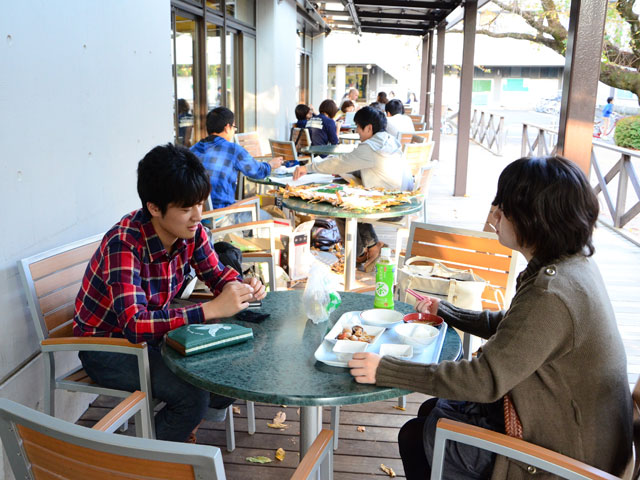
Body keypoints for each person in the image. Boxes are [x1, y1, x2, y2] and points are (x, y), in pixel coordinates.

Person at [348, 156, 632, 479]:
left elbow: (482, 380)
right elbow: (516, 329)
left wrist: (385, 370)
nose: (494, 213)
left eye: (504, 206)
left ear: (534, 219)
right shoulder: (572, 267)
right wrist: (445, 310)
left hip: (567, 463)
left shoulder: (552, 293)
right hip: (578, 438)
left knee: (420, 434)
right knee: (429, 414)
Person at [74, 144, 268, 443]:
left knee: (234, 369)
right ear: (154, 207)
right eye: (186, 207)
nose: (197, 216)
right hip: (108, 347)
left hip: (155, 339)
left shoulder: (192, 232)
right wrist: (209, 310)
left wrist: (242, 285)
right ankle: (147, 461)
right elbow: (134, 324)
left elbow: (217, 274)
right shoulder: (124, 244)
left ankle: (178, 431)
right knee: (192, 395)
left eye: (201, 204)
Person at [293, 106, 412, 272]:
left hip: (389, 207)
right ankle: (370, 247)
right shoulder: (389, 140)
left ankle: (358, 254)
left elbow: (340, 162)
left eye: (358, 127)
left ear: (369, 128)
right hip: (403, 202)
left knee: (340, 206)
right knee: (350, 197)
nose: (357, 131)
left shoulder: (370, 147)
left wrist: (308, 168)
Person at [190, 107, 282, 212]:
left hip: (197, 216)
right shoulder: (233, 149)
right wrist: (270, 165)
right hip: (222, 216)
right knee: (268, 215)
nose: (234, 130)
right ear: (227, 127)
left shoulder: (192, 150)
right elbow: (257, 172)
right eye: (234, 127)